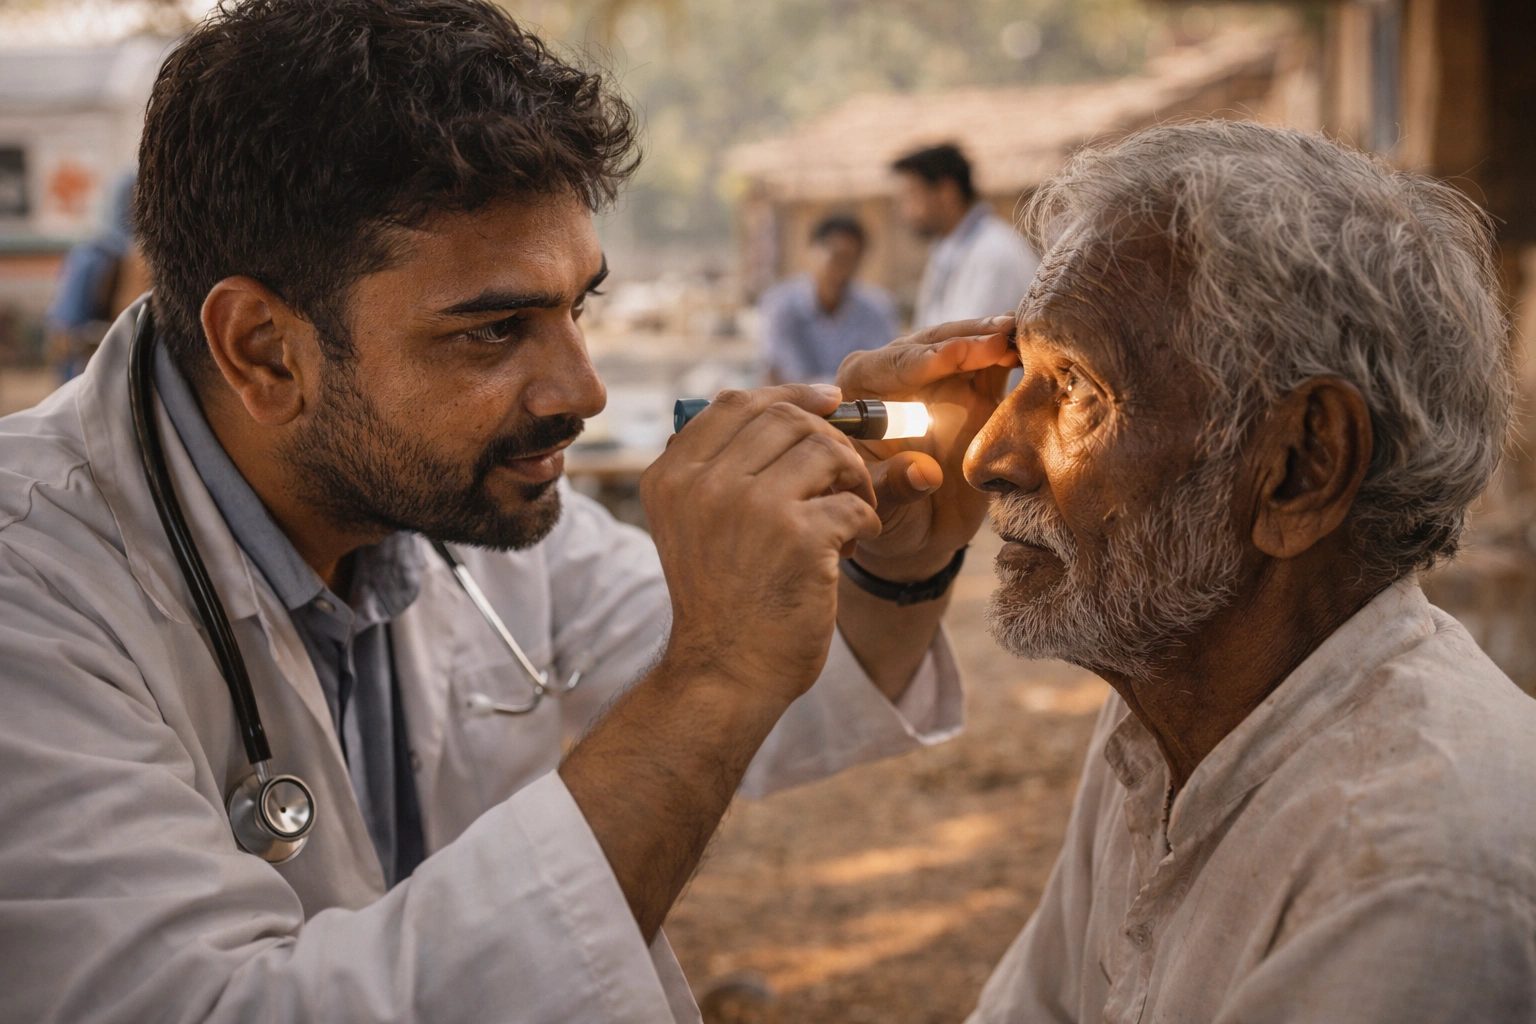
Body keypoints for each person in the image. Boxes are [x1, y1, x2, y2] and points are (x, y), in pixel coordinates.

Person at [0, 2, 1019, 1020]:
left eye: (579, 307)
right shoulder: (33, 594)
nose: (584, 391)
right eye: (494, 330)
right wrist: (710, 677)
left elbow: (790, 701)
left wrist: (897, 566)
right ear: (265, 350)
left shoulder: (465, 507)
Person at [946, 120, 1536, 1021]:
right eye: (1020, 374)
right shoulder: (1165, 715)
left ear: (1300, 468)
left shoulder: (1423, 883)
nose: (987, 456)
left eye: (1079, 390)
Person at [893, 143, 1038, 331]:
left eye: (912, 195)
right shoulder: (947, 250)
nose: (905, 210)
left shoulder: (994, 252)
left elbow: (974, 340)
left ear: (947, 193)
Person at [757, 214, 898, 384]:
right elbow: (777, 370)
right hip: (796, 400)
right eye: (836, 255)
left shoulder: (877, 308)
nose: (842, 266)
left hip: (857, 401)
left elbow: (881, 370)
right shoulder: (780, 304)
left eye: (850, 258)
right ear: (812, 250)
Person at [43, 169, 149, 381]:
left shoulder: (92, 257)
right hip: (100, 368)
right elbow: (65, 333)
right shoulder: (93, 259)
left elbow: (64, 324)